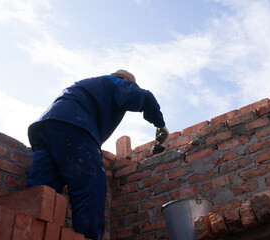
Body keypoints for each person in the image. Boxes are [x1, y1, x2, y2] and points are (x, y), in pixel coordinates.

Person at [26, 69, 169, 240]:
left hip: (45, 129)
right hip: (75, 127)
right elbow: (144, 97)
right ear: (125, 80)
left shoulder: (90, 85)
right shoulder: (115, 83)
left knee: (41, 191)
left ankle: (25, 229)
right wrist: (160, 124)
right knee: (91, 188)